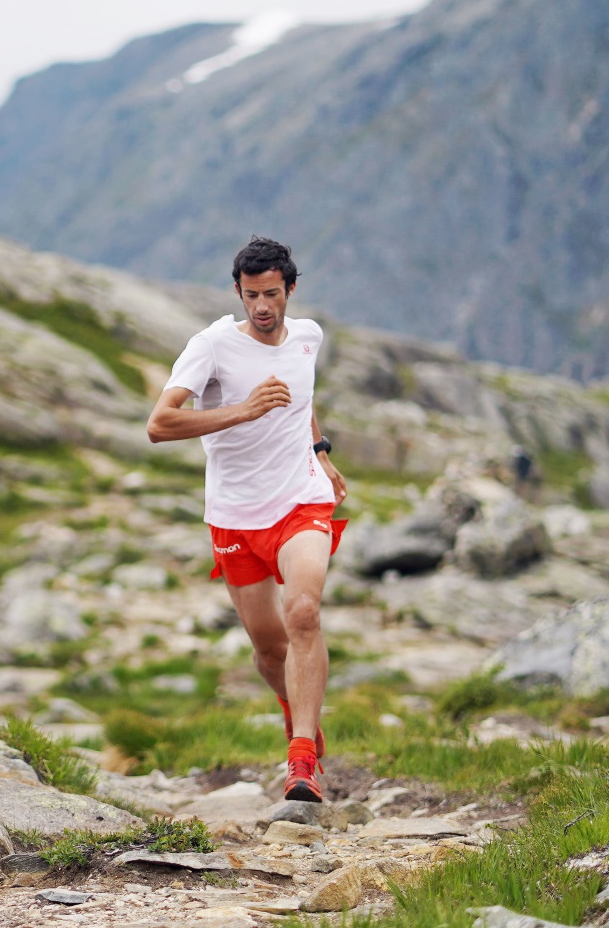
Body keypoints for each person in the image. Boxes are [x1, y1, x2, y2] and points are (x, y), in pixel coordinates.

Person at [146, 236, 347, 802]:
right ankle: (293, 707)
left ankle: (302, 761)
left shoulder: (308, 338)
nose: (262, 306)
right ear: (238, 291)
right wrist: (243, 410)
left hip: (300, 501)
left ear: (291, 291)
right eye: (252, 295)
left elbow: (301, 401)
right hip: (234, 516)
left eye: (273, 294)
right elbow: (160, 424)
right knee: (269, 648)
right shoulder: (210, 345)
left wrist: (322, 453)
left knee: (303, 614)